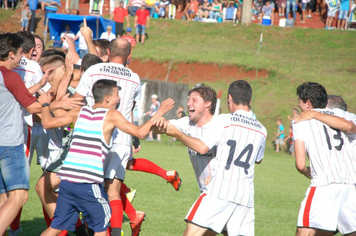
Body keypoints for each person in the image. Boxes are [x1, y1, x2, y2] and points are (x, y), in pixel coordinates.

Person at [39, 79, 174, 236]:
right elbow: (140, 132)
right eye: (117, 94)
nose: (119, 98)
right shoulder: (111, 115)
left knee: (56, 227)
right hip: (88, 184)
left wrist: (44, 105)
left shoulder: (79, 112)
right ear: (108, 98)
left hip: (67, 183)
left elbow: (47, 123)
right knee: (102, 228)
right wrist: (159, 113)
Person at [164, 80, 267, 236]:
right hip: (245, 196)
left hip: (220, 189)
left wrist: (177, 133)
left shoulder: (223, 120)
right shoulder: (262, 130)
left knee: (192, 232)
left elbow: (201, 147)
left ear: (229, 99)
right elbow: (258, 160)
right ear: (249, 100)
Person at [293, 82, 356, 236]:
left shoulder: (302, 120)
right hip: (349, 186)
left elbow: (300, 165)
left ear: (308, 103)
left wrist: (309, 173)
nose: (298, 105)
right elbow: (352, 128)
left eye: (299, 102)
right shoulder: (346, 116)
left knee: (305, 231)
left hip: (323, 185)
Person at [0, 32, 44, 236]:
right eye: (19, 53)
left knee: (3, 197)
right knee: (19, 196)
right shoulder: (11, 76)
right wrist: (55, 102)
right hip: (9, 143)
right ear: (10, 54)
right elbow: (34, 107)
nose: (22, 58)